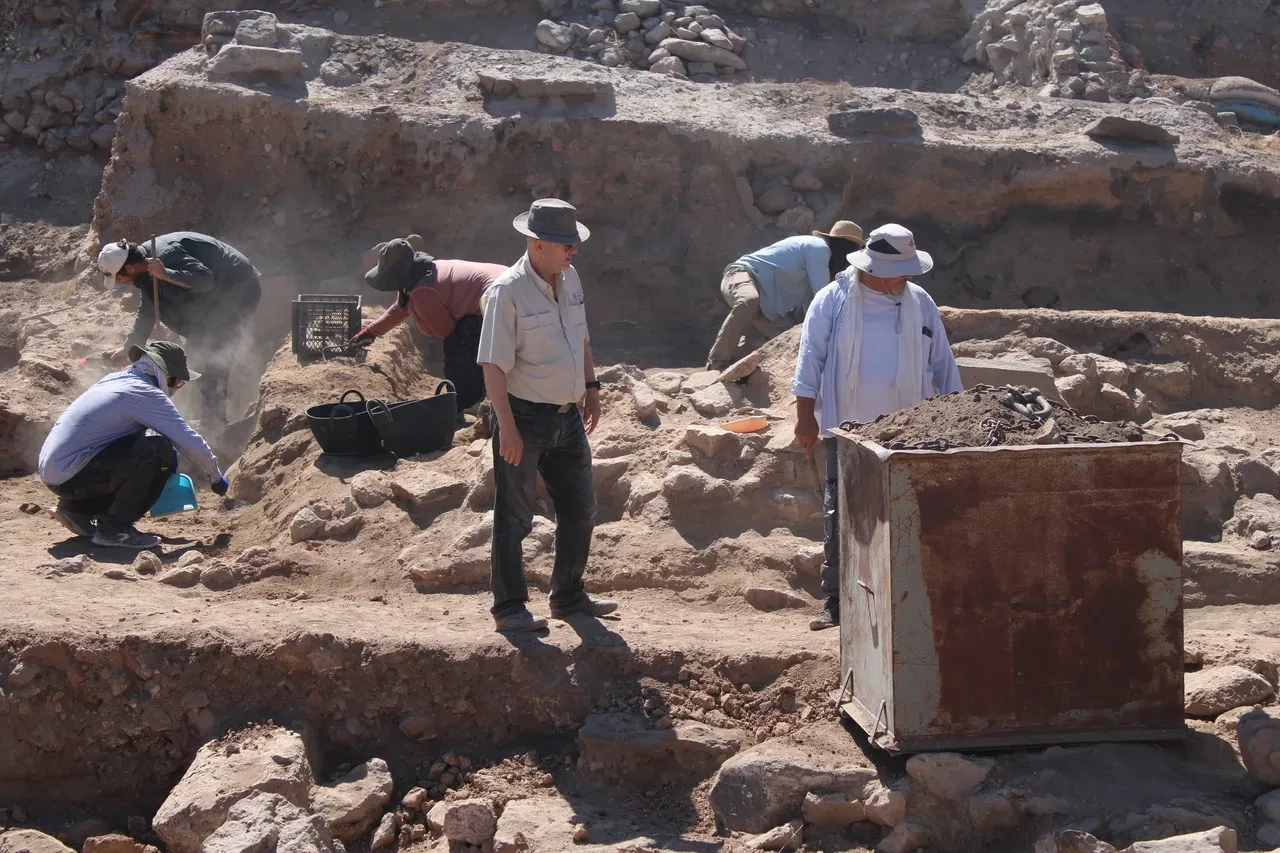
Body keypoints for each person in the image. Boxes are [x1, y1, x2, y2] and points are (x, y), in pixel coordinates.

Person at [792, 224, 963, 631]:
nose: (905, 276)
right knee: (841, 510)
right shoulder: (832, 300)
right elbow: (809, 360)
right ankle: (836, 599)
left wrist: (956, 417)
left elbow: (943, 364)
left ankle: (904, 595)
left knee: (904, 511)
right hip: (845, 428)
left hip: (909, 430)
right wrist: (805, 419)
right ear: (872, 266)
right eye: (898, 268)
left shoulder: (920, 302)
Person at [477, 198, 617, 633]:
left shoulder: (569, 278)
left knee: (581, 508)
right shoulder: (506, 292)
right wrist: (508, 429)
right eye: (565, 244)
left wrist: (591, 387)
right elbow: (492, 366)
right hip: (524, 418)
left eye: (574, 244)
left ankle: (568, 596)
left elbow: (583, 339)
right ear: (538, 245)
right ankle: (509, 608)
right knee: (514, 515)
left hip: (567, 419)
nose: (573, 251)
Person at [37, 341, 229, 549]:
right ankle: (114, 529)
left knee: (148, 443)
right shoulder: (146, 393)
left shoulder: (115, 380)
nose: (176, 389)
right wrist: (216, 477)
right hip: (73, 476)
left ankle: (76, 510)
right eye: (178, 383)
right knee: (158, 450)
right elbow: (188, 440)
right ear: (166, 375)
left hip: (56, 474)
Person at [97, 232, 263, 426]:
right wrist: (130, 345)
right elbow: (148, 309)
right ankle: (199, 411)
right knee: (193, 354)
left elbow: (205, 281)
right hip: (214, 297)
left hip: (238, 287)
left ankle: (215, 422)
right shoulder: (145, 268)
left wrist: (166, 274)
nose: (121, 283)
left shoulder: (166, 254)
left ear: (130, 268)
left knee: (214, 353)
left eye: (120, 278)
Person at [351, 237, 506, 414]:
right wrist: (371, 331)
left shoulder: (422, 292)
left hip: (499, 302)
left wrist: (421, 316)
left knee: (459, 349)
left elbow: (447, 331)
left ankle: (466, 404)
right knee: (466, 341)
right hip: (504, 292)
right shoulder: (427, 272)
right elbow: (400, 308)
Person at [706, 221, 866, 371]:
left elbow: (812, 306)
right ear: (844, 247)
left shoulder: (823, 263)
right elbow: (822, 297)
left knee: (787, 339)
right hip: (743, 274)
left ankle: (739, 363)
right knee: (748, 301)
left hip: (766, 304)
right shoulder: (819, 248)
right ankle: (717, 361)